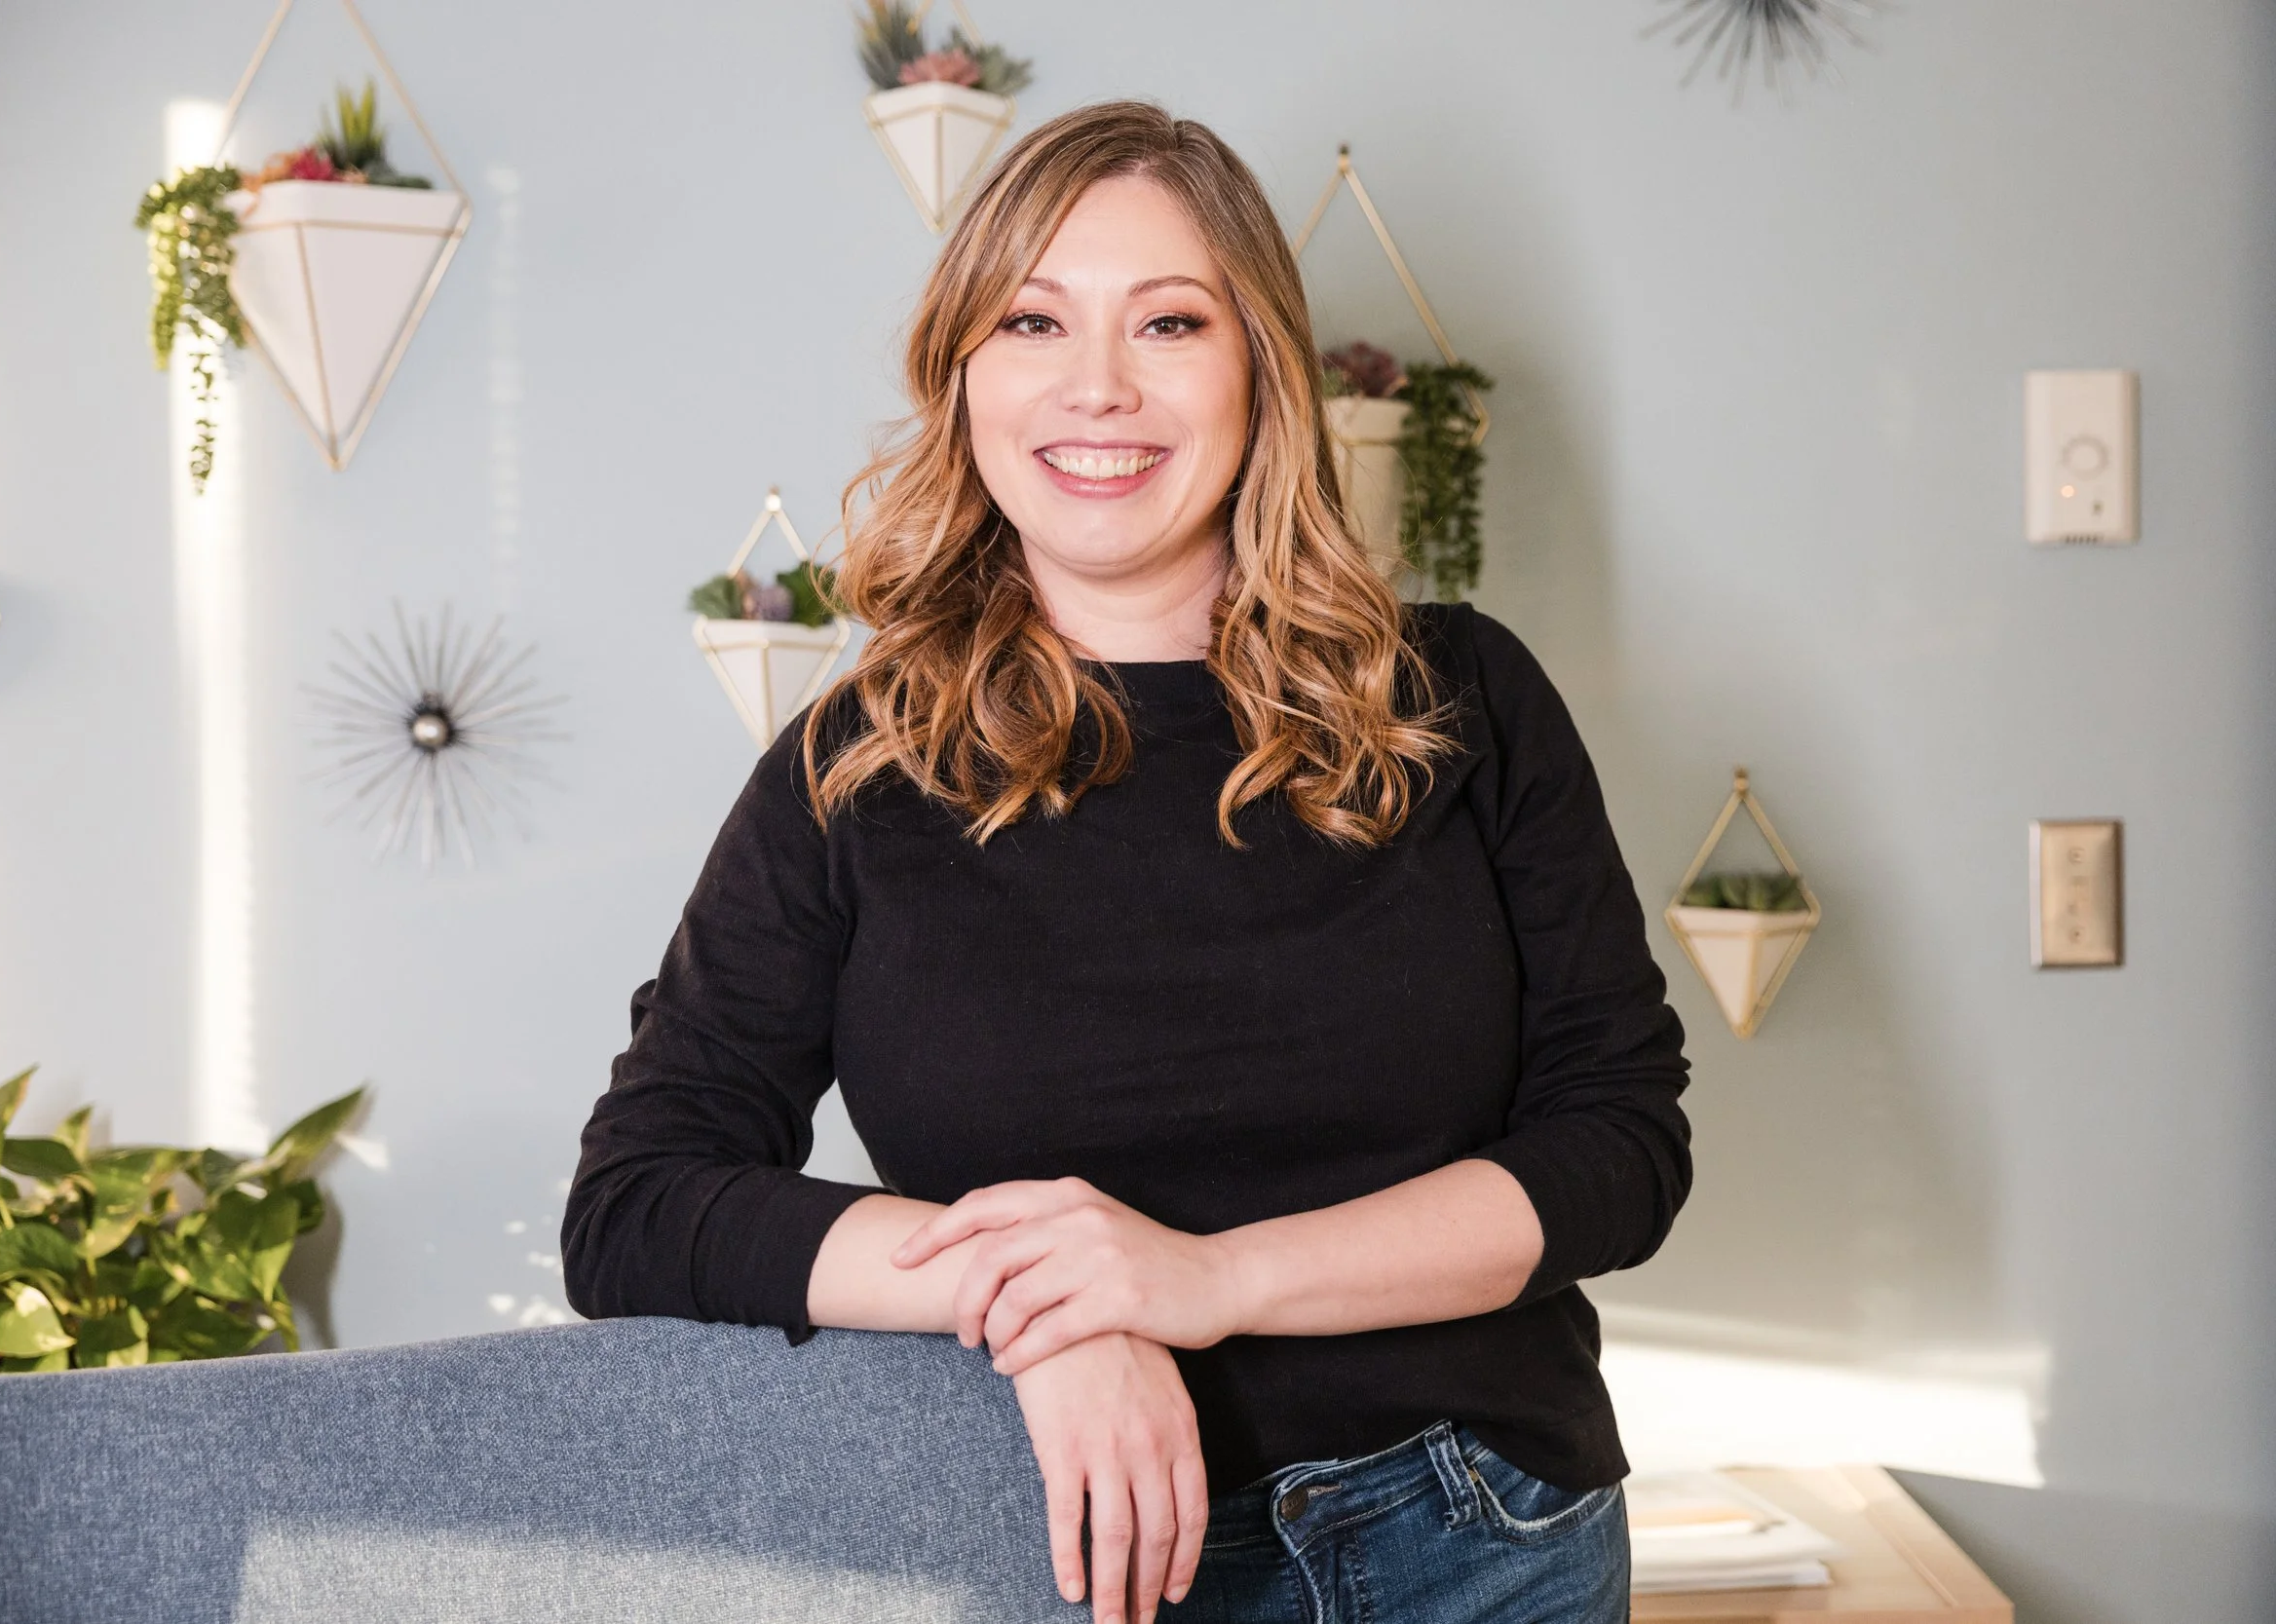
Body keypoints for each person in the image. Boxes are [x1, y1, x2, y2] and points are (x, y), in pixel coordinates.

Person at [564, 99, 1690, 1624]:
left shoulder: (1464, 703)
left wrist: (1203, 1277)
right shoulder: (855, 770)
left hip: (1483, 1539)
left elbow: (1618, 1148)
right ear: (966, 375)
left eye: (1169, 321)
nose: (1098, 385)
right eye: (1033, 319)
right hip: (1056, 1557)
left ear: (1259, 375)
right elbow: (637, 1200)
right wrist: (1045, 1302)